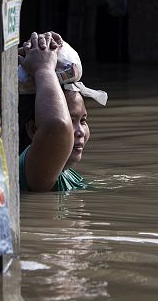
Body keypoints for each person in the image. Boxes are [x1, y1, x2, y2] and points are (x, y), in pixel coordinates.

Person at [18, 31, 107, 192]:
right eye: (71, 121)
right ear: (33, 129)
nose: (80, 131)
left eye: (82, 120)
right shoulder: (34, 171)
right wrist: (44, 69)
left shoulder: (66, 174)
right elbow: (56, 126)